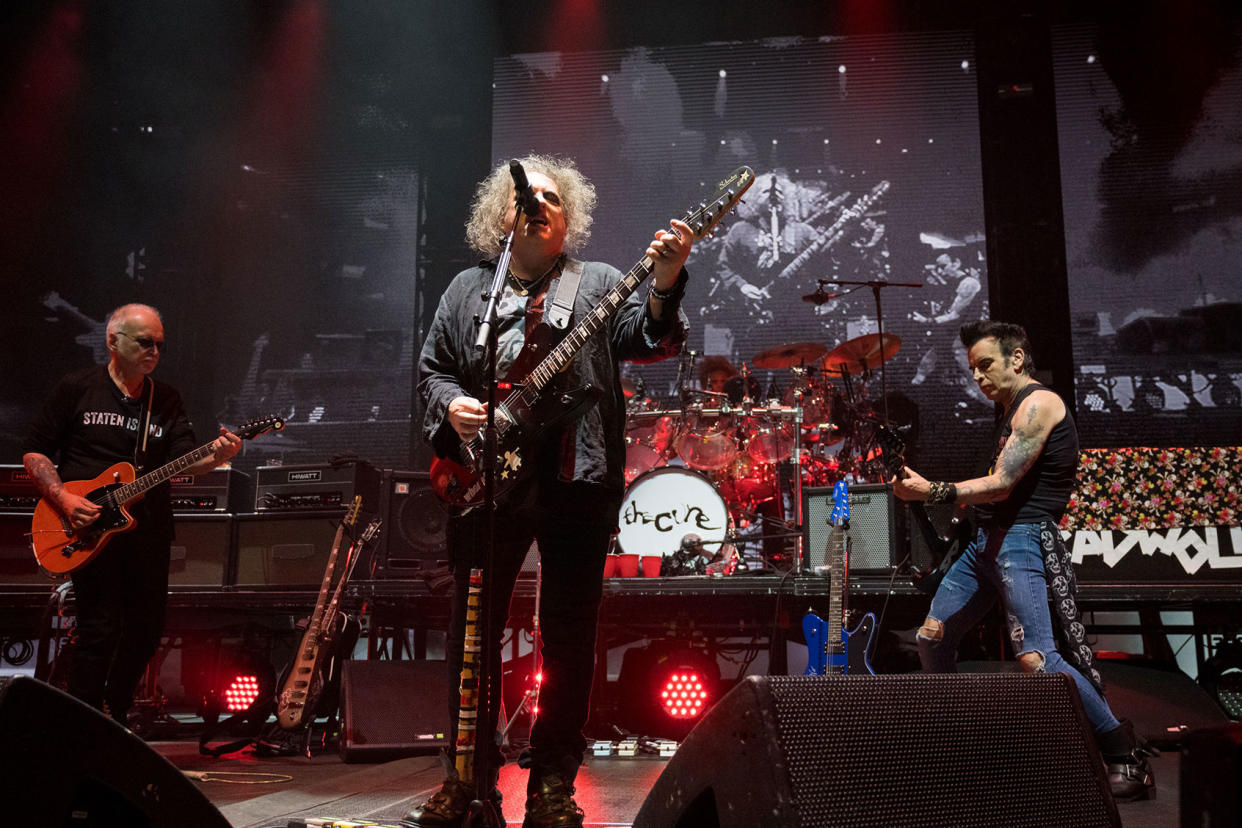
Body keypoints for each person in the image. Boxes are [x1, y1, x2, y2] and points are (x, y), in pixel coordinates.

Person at [410, 155, 691, 827]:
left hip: (577, 474)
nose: (537, 204)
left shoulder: (593, 282)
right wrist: (450, 409)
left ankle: (552, 784)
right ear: (501, 215)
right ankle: (466, 779)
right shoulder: (465, 293)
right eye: (524, 196)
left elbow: (647, 336)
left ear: (569, 219)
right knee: (471, 635)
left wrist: (667, 279)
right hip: (486, 484)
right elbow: (431, 371)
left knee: (567, 634)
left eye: (551, 198)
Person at [893, 320, 1155, 801]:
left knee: (1037, 657)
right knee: (932, 636)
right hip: (987, 543)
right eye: (972, 369)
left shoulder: (1039, 404)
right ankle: (963, 741)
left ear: (1016, 359)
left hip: (1022, 539)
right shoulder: (1009, 409)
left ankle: (1124, 752)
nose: (977, 377)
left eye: (985, 365)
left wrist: (933, 490)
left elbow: (1003, 484)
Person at [22, 303, 242, 727]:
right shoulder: (77, 388)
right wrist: (64, 500)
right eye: (145, 342)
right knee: (98, 629)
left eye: (159, 344)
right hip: (85, 526)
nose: (154, 351)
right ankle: (84, 725)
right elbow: (35, 450)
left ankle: (114, 712)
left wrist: (218, 456)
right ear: (113, 341)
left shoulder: (166, 399)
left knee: (145, 632)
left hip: (148, 530)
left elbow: (185, 460)